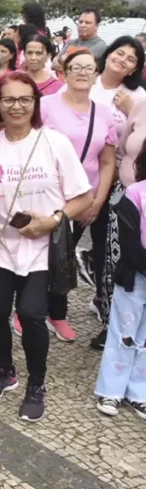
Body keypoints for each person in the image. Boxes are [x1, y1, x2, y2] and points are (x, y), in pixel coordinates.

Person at [0, 71, 92, 422]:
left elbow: (84, 196)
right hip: (4, 249)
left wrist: (53, 219)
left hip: (42, 250)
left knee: (33, 313)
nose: (17, 106)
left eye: (25, 99)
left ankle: (37, 383)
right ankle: (5, 370)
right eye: (9, 99)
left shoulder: (54, 143)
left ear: (35, 104)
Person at [36, 50, 117, 343]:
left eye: (89, 68)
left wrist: (97, 200)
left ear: (96, 74)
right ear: (64, 73)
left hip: (84, 198)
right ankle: (28, 309)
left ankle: (57, 313)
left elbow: (108, 161)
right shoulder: (46, 105)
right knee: (39, 253)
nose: (82, 73)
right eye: (76, 67)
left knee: (64, 256)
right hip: (47, 194)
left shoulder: (104, 112)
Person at [94, 142, 146, 418]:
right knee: (123, 332)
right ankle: (111, 390)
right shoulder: (134, 194)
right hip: (134, 275)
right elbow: (128, 239)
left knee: (145, 337)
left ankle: (139, 391)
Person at [92, 36, 146, 131]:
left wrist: (131, 111)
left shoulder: (138, 95)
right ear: (108, 54)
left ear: (134, 69)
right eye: (120, 54)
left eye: (130, 59)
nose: (122, 60)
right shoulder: (85, 79)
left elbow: (142, 134)